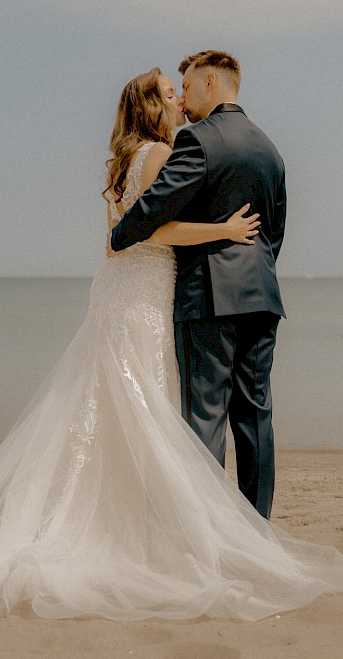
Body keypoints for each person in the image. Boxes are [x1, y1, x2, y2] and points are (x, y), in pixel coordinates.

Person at [0, 67, 343, 621]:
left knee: (133, 411)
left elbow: (120, 237)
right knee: (174, 413)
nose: (179, 100)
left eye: (181, 89)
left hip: (127, 294)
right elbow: (146, 230)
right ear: (152, 105)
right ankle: (208, 532)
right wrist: (224, 232)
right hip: (158, 295)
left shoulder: (126, 161)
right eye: (169, 94)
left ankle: (175, 526)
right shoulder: (165, 154)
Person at [111, 50, 285, 520]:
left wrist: (119, 234)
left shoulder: (198, 141)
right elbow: (275, 232)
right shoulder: (269, 147)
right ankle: (257, 532)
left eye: (185, 87)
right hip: (262, 297)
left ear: (210, 82)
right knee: (255, 419)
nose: (182, 100)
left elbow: (155, 207)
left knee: (205, 420)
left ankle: (209, 536)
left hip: (209, 297)